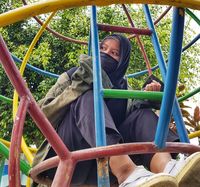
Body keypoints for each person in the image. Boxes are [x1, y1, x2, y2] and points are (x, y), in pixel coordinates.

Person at [32, 34, 200, 187]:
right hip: (70, 151)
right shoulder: (73, 75)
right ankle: (127, 174)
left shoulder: (124, 89)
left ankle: (168, 170)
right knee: (91, 97)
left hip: (105, 167)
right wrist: (79, 87)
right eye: (103, 49)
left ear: (122, 62)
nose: (106, 54)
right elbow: (43, 115)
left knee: (142, 115)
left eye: (114, 53)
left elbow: (132, 123)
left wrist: (147, 97)